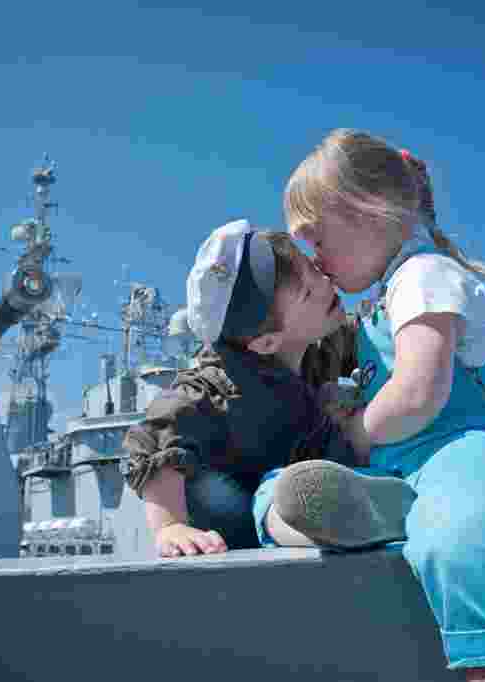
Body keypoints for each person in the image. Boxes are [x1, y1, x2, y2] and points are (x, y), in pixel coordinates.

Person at [254, 129, 485, 682]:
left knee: (465, 532)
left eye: (318, 241)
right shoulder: (386, 295)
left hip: (474, 450)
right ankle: (387, 509)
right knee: (282, 483)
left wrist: (360, 432)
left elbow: (419, 391)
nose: (316, 262)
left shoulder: (423, 276)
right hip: (410, 463)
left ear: (369, 215)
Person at [121, 219, 362, 558]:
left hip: (298, 492)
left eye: (314, 269)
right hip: (237, 517)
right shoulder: (220, 385)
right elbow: (156, 431)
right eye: (308, 291)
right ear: (265, 343)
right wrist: (169, 526)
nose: (325, 283)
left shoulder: (314, 344)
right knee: (214, 491)